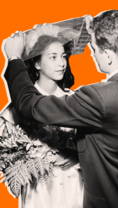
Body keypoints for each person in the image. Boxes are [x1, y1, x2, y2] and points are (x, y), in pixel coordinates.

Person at [3, 10, 118, 208]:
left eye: (95, 49)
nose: (92, 53)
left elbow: (30, 105)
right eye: (53, 56)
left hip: (90, 194)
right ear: (37, 63)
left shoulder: (97, 97)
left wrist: (14, 58)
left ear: (108, 55)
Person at [2, 24, 84, 208]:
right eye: (53, 57)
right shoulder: (19, 106)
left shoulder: (74, 100)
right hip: (37, 187)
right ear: (37, 63)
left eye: (63, 57)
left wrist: (73, 156)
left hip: (72, 184)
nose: (61, 63)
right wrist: (29, 160)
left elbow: (93, 144)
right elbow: (6, 153)